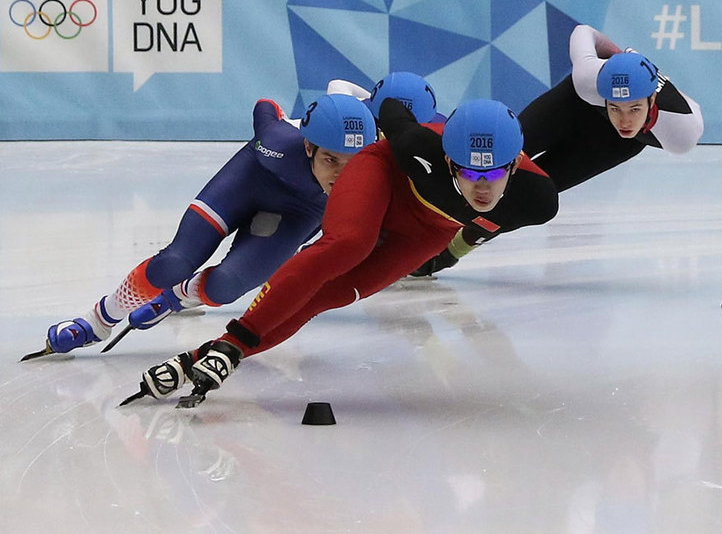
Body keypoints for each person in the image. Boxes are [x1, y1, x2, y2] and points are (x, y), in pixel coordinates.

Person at [121, 97, 559, 407]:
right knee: (348, 246)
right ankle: (235, 343)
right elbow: (392, 111)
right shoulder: (418, 147)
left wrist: (453, 250)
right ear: (447, 161)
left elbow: (478, 229)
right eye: (468, 171)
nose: (483, 186)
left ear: (516, 164)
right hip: (383, 175)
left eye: (497, 172)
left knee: (335, 293)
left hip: (427, 228)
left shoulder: (537, 199)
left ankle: (205, 355)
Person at [26, 72, 442, 360]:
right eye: (331, 159)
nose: (343, 175)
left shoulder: (400, 159)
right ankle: (97, 321)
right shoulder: (282, 142)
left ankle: (175, 298)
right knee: (175, 260)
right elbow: (266, 110)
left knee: (226, 287)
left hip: (300, 211)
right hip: (251, 178)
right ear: (311, 146)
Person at [411, 24, 704, 276]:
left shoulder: (681, 132)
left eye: (634, 108)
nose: (624, 120)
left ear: (652, 101)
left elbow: (652, 119)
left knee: (526, 193)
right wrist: (614, 52)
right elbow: (583, 31)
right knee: (498, 159)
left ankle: (448, 254)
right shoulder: (589, 77)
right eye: (615, 107)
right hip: (573, 106)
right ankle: (414, 218)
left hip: (611, 145)